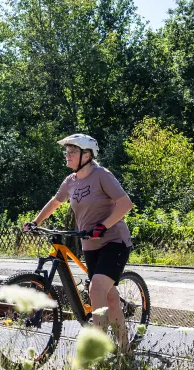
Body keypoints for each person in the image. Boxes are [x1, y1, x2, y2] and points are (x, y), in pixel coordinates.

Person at [24, 133, 135, 351]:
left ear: (87, 154)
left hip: (114, 241)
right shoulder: (71, 181)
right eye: (66, 151)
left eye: (72, 151)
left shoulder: (102, 175)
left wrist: (103, 225)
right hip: (90, 245)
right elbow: (56, 201)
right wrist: (35, 222)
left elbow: (125, 204)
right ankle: (124, 349)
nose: (67, 155)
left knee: (95, 290)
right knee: (110, 298)